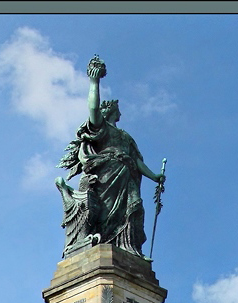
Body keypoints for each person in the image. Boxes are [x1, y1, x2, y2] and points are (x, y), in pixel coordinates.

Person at [57, 56, 165, 257]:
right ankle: (100, 245)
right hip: (107, 176)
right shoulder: (102, 128)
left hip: (127, 178)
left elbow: (138, 162)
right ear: (108, 112)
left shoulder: (126, 137)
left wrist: (154, 177)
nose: (119, 112)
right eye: (116, 109)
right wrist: (94, 82)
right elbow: (93, 108)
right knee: (105, 213)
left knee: (134, 209)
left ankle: (127, 249)